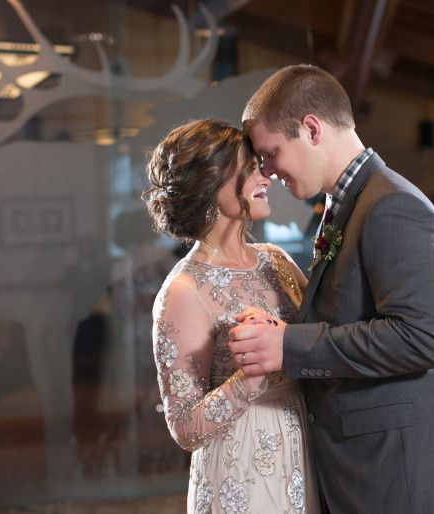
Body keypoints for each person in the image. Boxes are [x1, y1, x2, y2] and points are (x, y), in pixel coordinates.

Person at [228, 64, 434, 513]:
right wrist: (285, 330)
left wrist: (289, 346)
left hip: (406, 479)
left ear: (312, 129)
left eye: (271, 153)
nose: (268, 171)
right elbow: (351, 316)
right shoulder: (348, 202)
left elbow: (421, 338)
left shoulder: (391, 205)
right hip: (379, 469)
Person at [142, 119, 319, 513]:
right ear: (209, 183)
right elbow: (185, 428)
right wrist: (254, 374)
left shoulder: (277, 261)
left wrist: (283, 339)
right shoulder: (183, 292)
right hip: (242, 469)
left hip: (306, 449)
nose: (266, 176)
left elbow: (318, 340)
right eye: (251, 167)